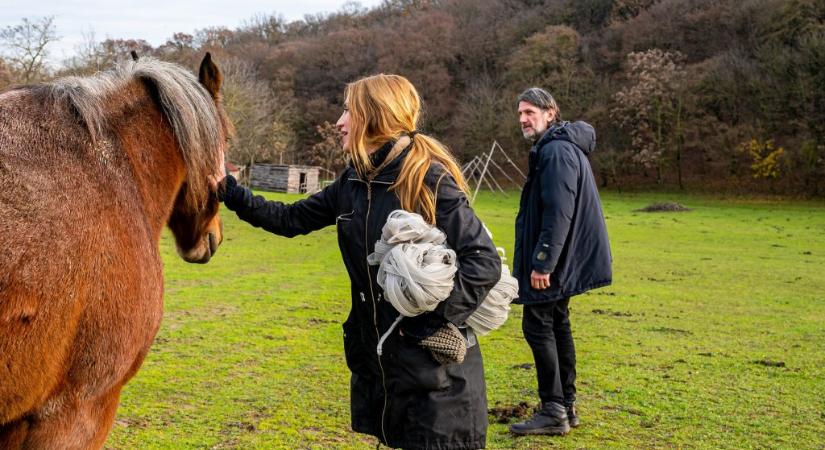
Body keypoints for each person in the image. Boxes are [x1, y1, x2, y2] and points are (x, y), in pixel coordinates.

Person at [216, 74, 502, 450]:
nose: (339, 122)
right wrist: (228, 189)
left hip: (438, 377)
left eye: (348, 110)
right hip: (388, 368)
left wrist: (428, 324)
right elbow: (290, 220)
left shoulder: (427, 179)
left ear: (375, 115)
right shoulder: (353, 181)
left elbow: (483, 262)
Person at [509, 87, 612, 436]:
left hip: (554, 261)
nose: (523, 119)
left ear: (550, 113)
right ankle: (565, 404)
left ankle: (554, 408)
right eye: (520, 113)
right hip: (563, 258)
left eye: (530, 112)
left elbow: (559, 211)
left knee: (538, 327)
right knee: (556, 323)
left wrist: (543, 262)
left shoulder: (556, 152)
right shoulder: (561, 147)